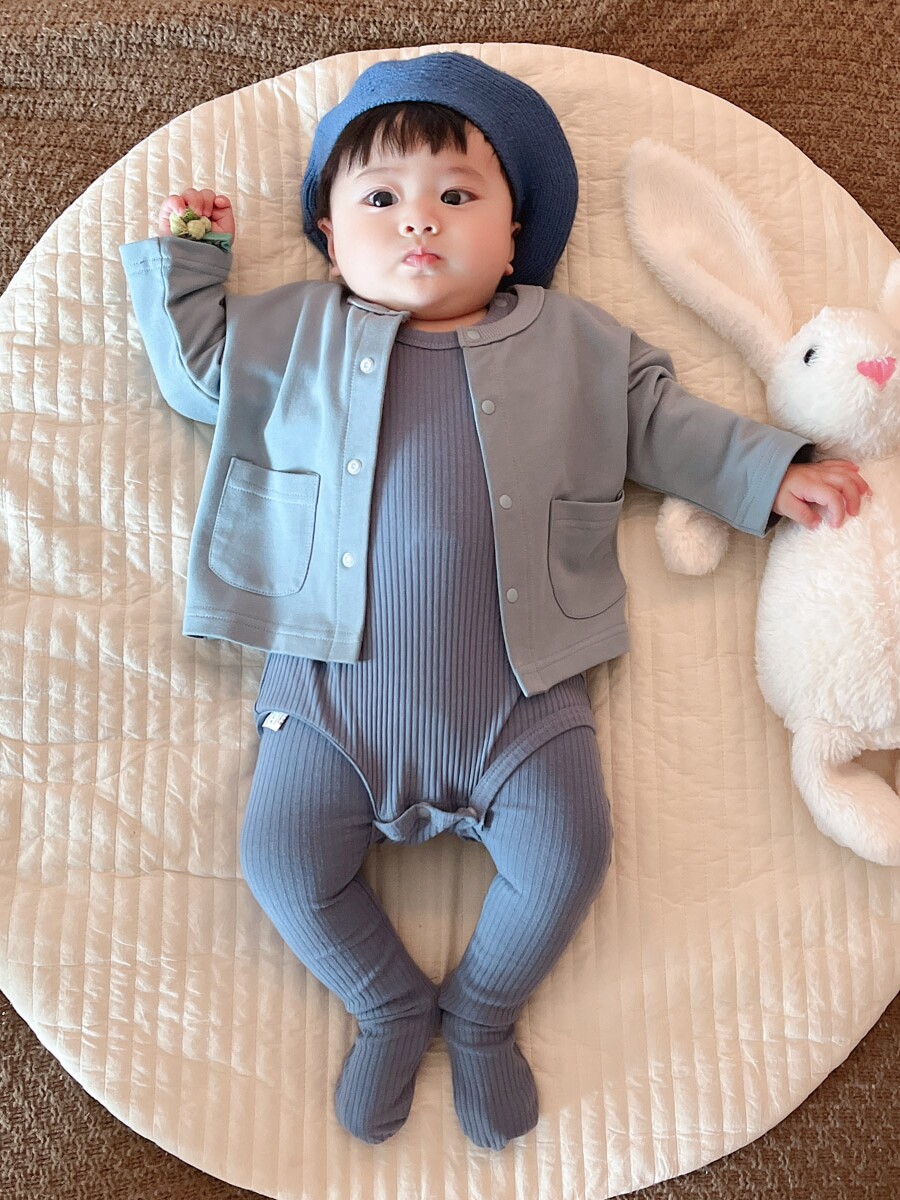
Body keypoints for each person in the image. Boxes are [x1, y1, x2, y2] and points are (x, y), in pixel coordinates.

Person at [119, 52, 869, 1151]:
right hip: (327, 697)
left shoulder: (576, 343)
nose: (419, 221)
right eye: (381, 199)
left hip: (525, 698)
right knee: (280, 860)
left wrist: (769, 471)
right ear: (329, 235)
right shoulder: (292, 333)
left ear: (515, 235)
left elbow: (664, 424)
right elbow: (199, 375)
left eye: (458, 196)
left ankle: (480, 1013)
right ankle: (386, 1003)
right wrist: (191, 263)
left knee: (568, 854)